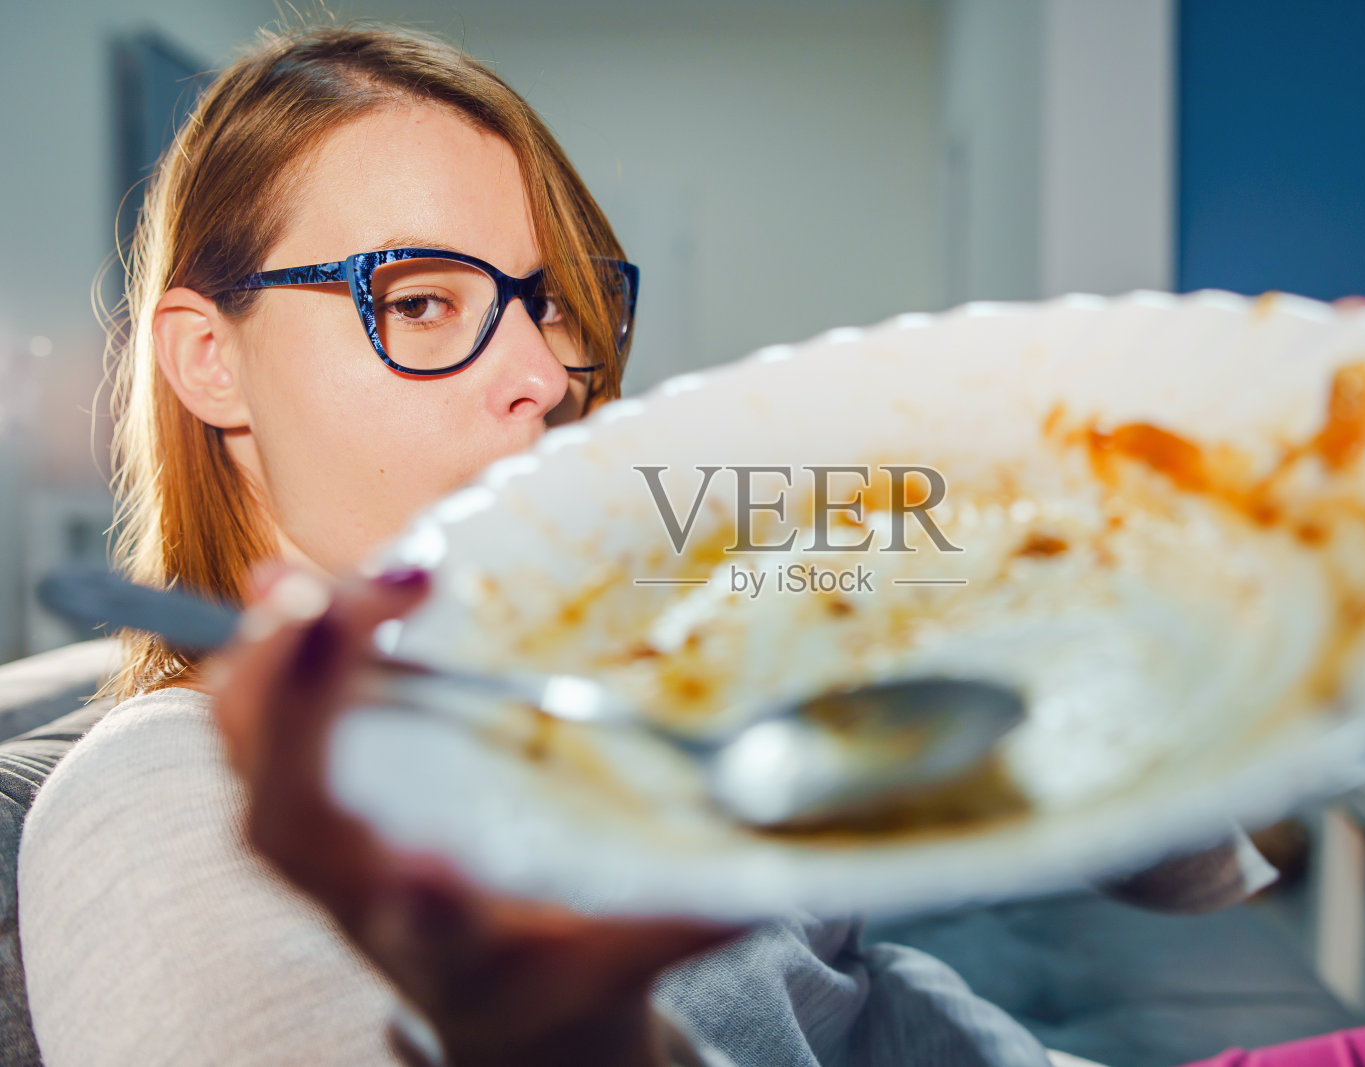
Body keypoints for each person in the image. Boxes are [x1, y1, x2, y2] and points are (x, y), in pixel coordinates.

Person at [16, 21, 1269, 1067]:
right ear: (208, 360)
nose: (544, 371)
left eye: (551, 301)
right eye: (418, 301)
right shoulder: (160, 796)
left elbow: (1180, 849)